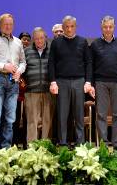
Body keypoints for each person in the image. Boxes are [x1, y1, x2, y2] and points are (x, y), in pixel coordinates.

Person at [0, 13, 26, 149]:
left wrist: (19, 71)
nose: (8, 26)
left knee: (11, 118)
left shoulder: (18, 42)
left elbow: (23, 62)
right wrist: (3, 66)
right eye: (5, 24)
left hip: (13, 82)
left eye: (10, 24)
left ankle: (6, 148)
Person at [49, 15, 93, 146]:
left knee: (79, 114)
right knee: (62, 115)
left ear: (76, 27)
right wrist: (53, 81)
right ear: (63, 28)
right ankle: (62, 143)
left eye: (72, 26)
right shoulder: (56, 43)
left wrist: (88, 81)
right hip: (62, 81)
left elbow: (88, 62)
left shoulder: (82, 41)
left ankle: (80, 144)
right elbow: (51, 63)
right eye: (66, 27)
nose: (69, 29)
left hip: (79, 81)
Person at [91, 16, 117, 148]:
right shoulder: (95, 44)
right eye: (105, 27)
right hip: (100, 82)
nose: (108, 29)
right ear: (101, 28)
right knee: (101, 115)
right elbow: (90, 65)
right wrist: (91, 84)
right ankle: (103, 144)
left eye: (110, 27)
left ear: (114, 27)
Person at [24, 27, 54, 142]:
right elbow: (21, 70)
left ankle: (46, 146)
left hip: (48, 91)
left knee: (47, 121)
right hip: (31, 91)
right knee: (32, 121)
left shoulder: (52, 51)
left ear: (45, 38)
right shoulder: (26, 51)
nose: (39, 41)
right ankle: (32, 147)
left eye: (41, 38)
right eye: (36, 39)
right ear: (33, 40)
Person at [13, 31, 31, 145]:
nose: (26, 41)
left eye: (28, 39)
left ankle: (25, 142)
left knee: (27, 118)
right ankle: (14, 142)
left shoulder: (30, 53)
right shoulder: (15, 52)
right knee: (14, 117)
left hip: (28, 90)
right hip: (15, 89)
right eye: (23, 39)